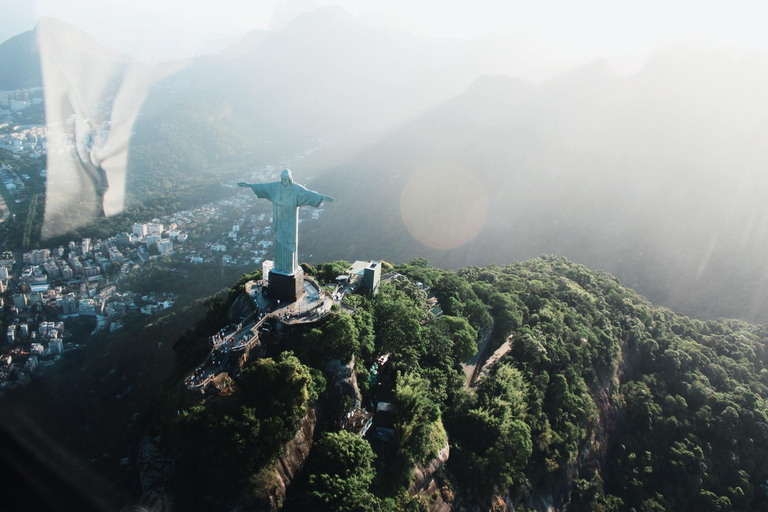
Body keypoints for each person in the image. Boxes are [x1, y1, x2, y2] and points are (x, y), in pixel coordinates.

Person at [239, 170, 333, 274]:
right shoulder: (276, 186)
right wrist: (249, 185)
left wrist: (321, 197)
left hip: (290, 220)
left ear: (289, 178)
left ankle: (289, 268)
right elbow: (264, 186)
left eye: (286, 178)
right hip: (279, 219)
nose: (284, 181)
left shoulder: (295, 188)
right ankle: (279, 267)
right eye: (282, 178)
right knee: (279, 242)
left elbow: (307, 193)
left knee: (289, 242)